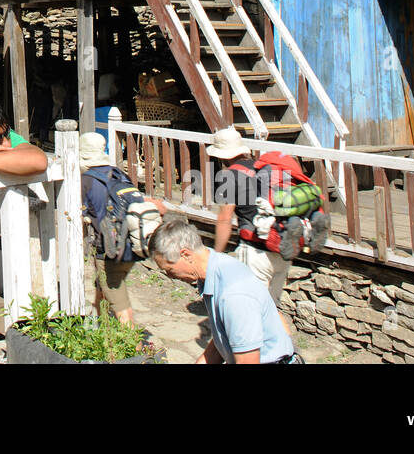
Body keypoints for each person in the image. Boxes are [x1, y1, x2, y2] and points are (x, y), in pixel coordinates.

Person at [149, 218, 300, 364]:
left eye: (169, 269)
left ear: (186, 255)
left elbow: (248, 362)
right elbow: (225, 336)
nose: (169, 276)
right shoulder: (215, 269)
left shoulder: (233, 294)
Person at [208, 127, 329, 304]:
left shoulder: (230, 176)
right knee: (270, 309)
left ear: (221, 156)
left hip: (255, 250)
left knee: (251, 308)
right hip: (283, 245)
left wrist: (217, 254)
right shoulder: (266, 168)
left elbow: (225, 219)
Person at [80, 131, 146, 324]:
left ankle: (133, 349)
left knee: (121, 306)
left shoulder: (86, 181)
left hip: (109, 250)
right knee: (102, 288)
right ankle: (96, 328)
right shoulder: (118, 174)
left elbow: (79, 215)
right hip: (132, 244)